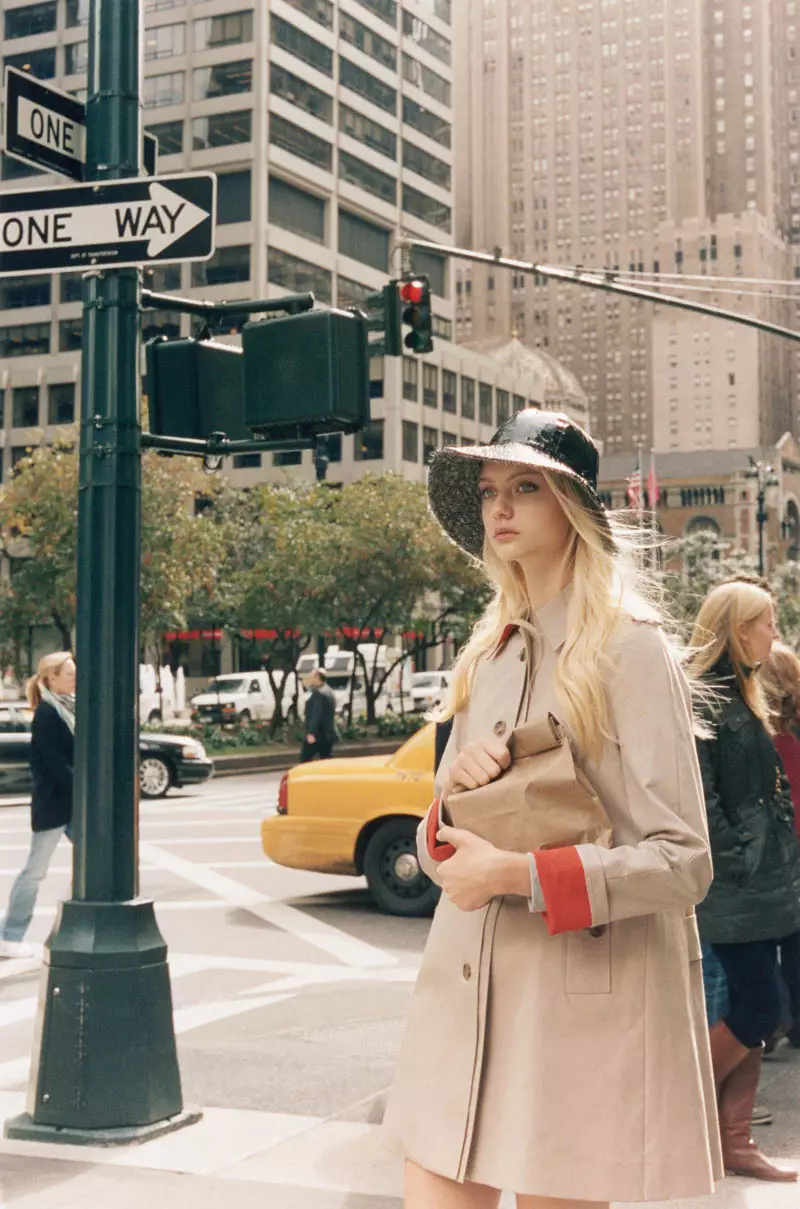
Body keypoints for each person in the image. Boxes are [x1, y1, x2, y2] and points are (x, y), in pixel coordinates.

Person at [383, 410, 722, 1208]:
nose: (500, 507)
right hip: (463, 1006)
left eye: (525, 488)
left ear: (570, 507)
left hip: (572, 1018)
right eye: (493, 489)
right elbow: (442, 854)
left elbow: (685, 860)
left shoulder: (630, 650)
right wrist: (450, 807)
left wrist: (519, 872)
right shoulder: (484, 653)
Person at [690, 583, 800, 1181]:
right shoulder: (703, 697)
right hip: (735, 886)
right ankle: (681, 1108)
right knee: (759, 1008)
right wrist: (739, 859)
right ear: (736, 629)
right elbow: (703, 804)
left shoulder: (743, 691)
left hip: (767, 884)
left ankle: (733, 1141)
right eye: (767, 622)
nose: (775, 633)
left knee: (758, 1008)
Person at [0, 651, 76, 959]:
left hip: (71, 804)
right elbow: (55, 764)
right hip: (54, 805)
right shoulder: (47, 713)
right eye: (70, 674)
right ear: (51, 679)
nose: (75, 678)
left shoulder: (67, 708)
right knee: (34, 872)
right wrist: (86, 789)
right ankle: (8, 936)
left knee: (93, 865)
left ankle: (70, 928)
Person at [760, 641, 800, 1049]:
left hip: (771, 836)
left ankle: (771, 1023)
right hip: (790, 835)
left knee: (771, 931)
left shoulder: (754, 726)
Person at [300, 667, 337, 762]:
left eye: (311, 677)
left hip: (318, 735)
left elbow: (316, 715)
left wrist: (311, 733)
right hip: (327, 734)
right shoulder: (329, 691)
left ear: (317, 677)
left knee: (305, 760)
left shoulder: (319, 693)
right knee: (327, 760)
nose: (309, 679)